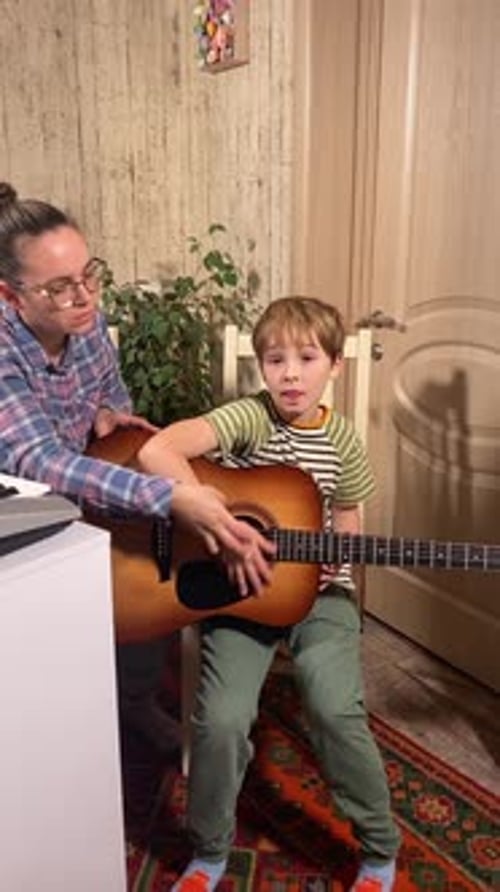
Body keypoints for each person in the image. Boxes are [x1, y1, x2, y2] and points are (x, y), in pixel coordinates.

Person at [0, 181, 273, 758]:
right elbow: (37, 461)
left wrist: (106, 413)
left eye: (89, 274)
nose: (85, 297)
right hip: (19, 519)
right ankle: (59, 735)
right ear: (10, 295)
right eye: (60, 287)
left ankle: (134, 701)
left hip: (89, 488)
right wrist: (167, 497)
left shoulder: (87, 322)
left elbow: (111, 390)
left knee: (154, 561)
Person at [138, 296, 401, 892]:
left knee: (333, 705)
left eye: (307, 359)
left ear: (334, 366)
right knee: (223, 718)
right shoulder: (250, 418)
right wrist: (219, 522)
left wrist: (343, 550)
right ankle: (208, 852)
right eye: (275, 359)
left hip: (323, 595)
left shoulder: (344, 442)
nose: (290, 373)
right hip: (240, 594)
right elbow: (158, 450)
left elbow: (348, 510)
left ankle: (380, 849)